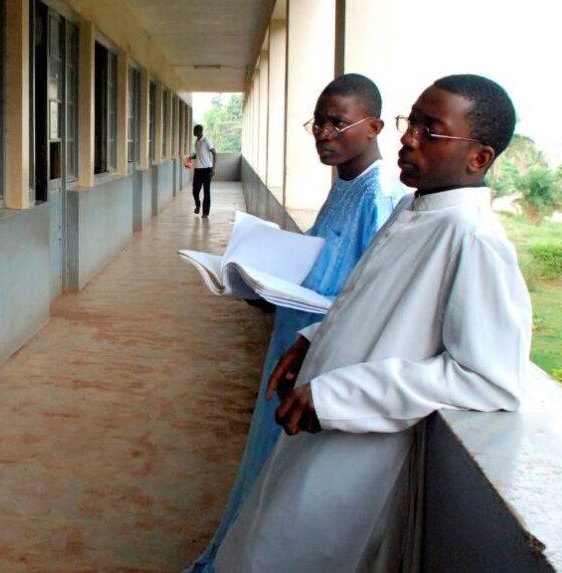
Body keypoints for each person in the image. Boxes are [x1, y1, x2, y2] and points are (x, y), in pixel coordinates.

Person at [211, 74, 532, 572]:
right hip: (318, 421)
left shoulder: (474, 240)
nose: (407, 139)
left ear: (479, 158)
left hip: (355, 450)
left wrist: (338, 395)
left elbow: (488, 378)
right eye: (411, 123)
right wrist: (310, 340)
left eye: (430, 131)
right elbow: (365, 304)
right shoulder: (411, 208)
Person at [186, 73, 405, 573]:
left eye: (338, 123)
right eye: (318, 122)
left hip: (324, 358)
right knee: (266, 464)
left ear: (373, 127)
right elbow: (321, 260)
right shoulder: (344, 185)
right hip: (294, 342)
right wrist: (262, 287)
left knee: (287, 486)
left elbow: (367, 294)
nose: (324, 133)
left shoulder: (378, 198)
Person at [190, 124, 217, 217]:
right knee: (195, 191)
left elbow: (214, 153)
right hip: (198, 169)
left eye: (195, 131)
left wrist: (213, 168)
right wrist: (191, 157)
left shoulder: (206, 141)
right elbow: (198, 155)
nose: (193, 132)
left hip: (206, 170)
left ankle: (205, 212)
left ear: (199, 131)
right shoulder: (196, 142)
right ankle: (198, 205)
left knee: (206, 191)